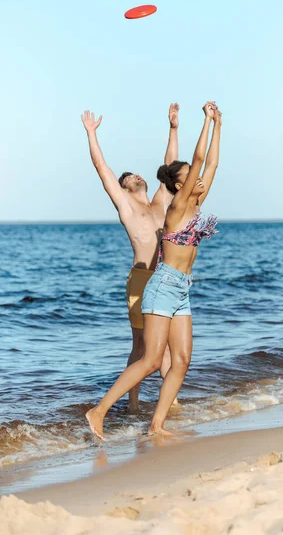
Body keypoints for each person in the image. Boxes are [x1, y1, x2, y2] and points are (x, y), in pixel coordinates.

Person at [86, 101, 222, 440]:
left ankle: (156, 424)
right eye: (189, 176)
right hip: (156, 283)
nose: (198, 178)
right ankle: (100, 411)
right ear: (180, 185)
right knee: (148, 358)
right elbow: (197, 162)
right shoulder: (171, 207)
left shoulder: (178, 203)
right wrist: (205, 121)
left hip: (181, 288)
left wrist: (217, 124)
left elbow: (207, 163)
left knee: (182, 359)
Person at [81, 105, 180, 414]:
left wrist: (174, 128)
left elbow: (171, 167)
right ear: (123, 189)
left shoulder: (161, 202)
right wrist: (91, 134)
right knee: (141, 347)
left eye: (135, 174)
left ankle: (171, 402)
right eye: (128, 178)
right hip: (141, 280)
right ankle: (133, 404)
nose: (134, 175)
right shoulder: (126, 207)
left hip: (166, 278)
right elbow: (102, 168)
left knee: (165, 346)